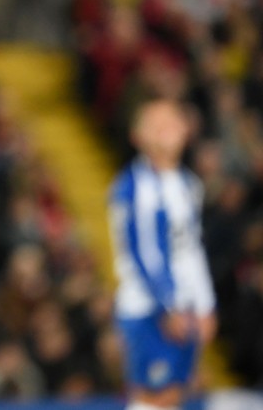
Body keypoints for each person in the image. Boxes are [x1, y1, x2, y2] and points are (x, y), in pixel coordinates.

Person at [108, 99, 217, 410]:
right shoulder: (136, 186)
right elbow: (144, 253)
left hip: (184, 307)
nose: (166, 131)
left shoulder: (187, 184)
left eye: (171, 122)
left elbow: (192, 250)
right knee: (153, 397)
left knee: (174, 397)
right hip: (149, 308)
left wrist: (206, 304)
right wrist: (170, 304)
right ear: (138, 136)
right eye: (156, 125)